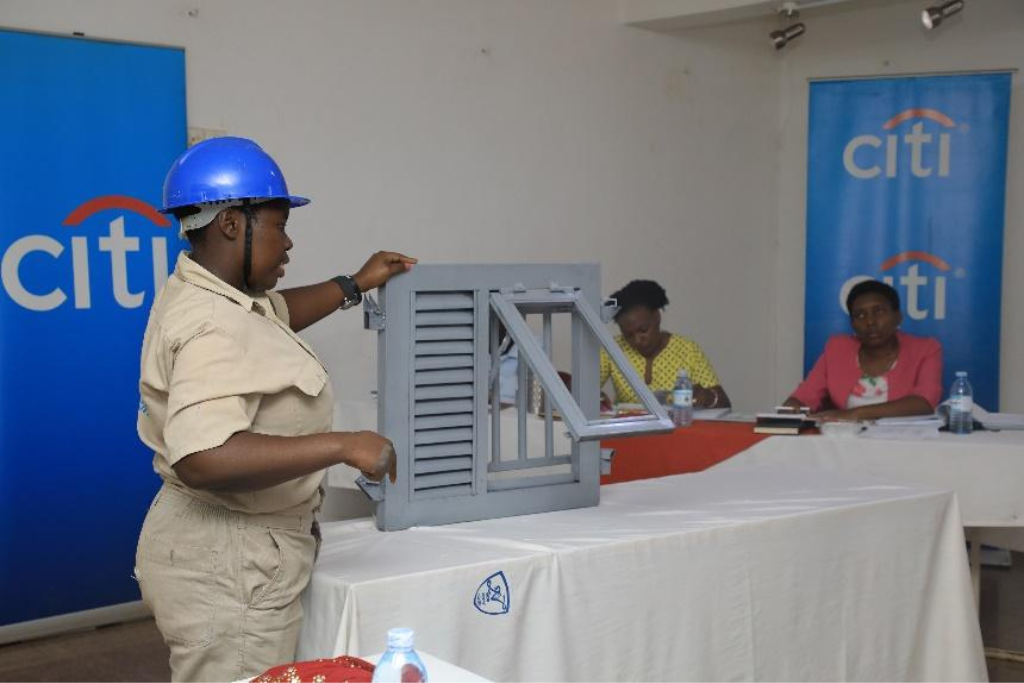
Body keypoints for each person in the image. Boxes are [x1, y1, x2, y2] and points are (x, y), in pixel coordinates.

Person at [134, 137, 416, 682]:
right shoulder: (210, 324)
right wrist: (344, 445)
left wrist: (353, 284)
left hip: (224, 548)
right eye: (279, 225)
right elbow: (204, 457)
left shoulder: (214, 293)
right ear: (231, 224)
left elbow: (274, 316)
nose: (288, 243)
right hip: (228, 564)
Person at [783, 279, 942, 421]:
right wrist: (793, 406)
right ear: (852, 324)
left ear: (897, 317)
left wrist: (854, 414)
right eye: (860, 315)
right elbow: (805, 395)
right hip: (845, 440)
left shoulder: (925, 349)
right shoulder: (836, 349)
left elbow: (925, 402)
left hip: (903, 441)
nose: (870, 321)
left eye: (878, 312)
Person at [599, 279, 730, 409]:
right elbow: (586, 389)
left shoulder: (688, 349)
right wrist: (597, 398)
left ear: (657, 316)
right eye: (628, 335)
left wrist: (708, 397)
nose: (637, 340)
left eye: (643, 330)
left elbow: (724, 403)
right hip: (629, 422)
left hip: (679, 422)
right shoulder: (613, 349)